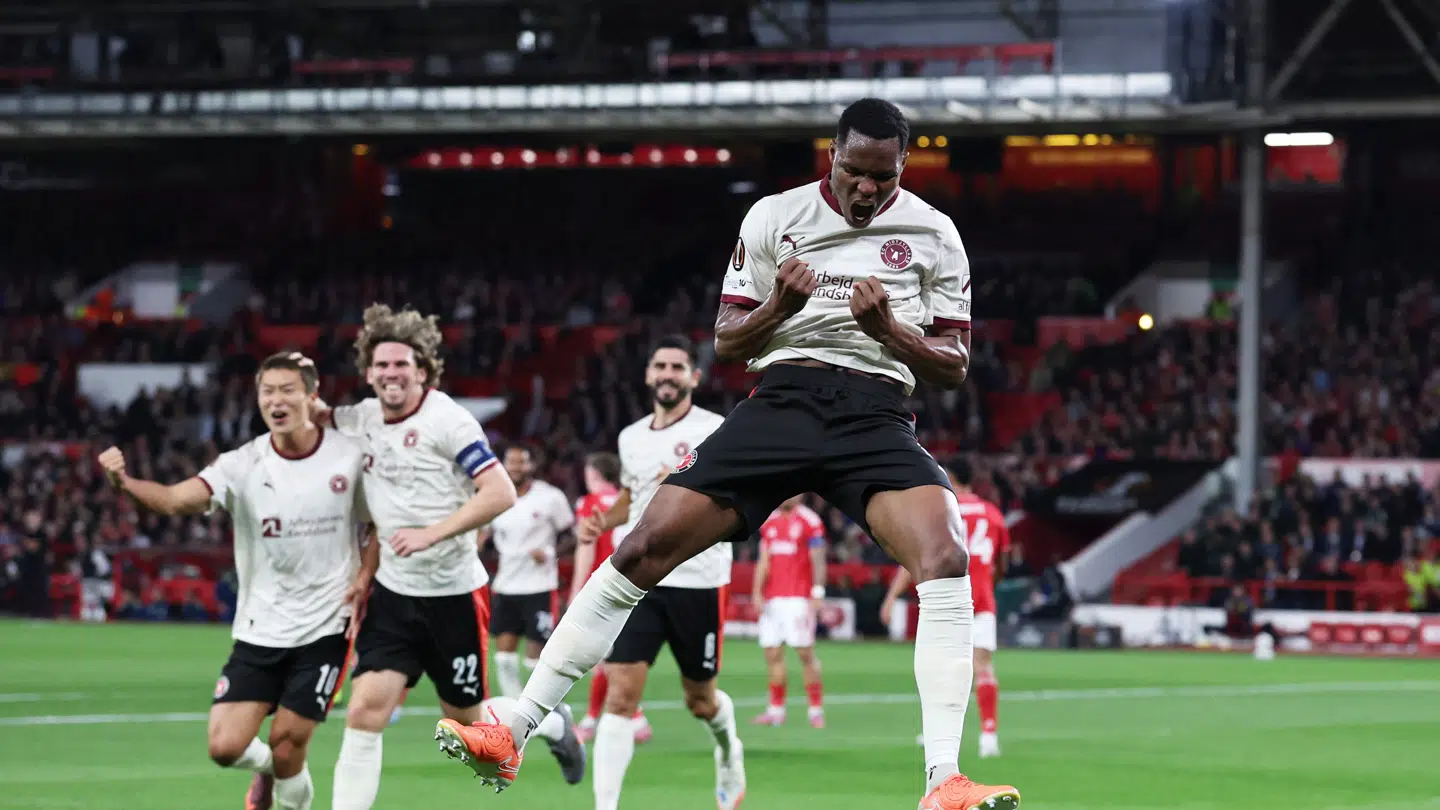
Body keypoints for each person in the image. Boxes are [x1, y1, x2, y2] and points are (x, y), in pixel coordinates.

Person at [445, 98, 1019, 810]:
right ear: (831, 157)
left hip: (875, 414)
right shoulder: (775, 217)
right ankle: (518, 730)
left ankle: (944, 781)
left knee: (946, 558)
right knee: (641, 546)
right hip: (781, 403)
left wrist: (891, 330)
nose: (865, 190)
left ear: (903, 165)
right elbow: (727, 341)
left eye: (882, 176)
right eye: (852, 172)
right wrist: (780, 307)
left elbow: (953, 365)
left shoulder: (934, 232)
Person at [438, 334, 744, 810]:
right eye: (659, 365)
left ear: (694, 377)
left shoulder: (716, 428)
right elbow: (634, 495)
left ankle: (728, 750)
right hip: (642, 579)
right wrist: (610, 518)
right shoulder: (631, 436)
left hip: (699, 579)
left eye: (677, 367)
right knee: (621, 693)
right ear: (647, 375)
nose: (667, 374)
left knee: (701, 701)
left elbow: (734, 499)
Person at [317, 304, 584, 810]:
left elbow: (500, 492)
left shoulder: (450, 421)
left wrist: (430, 534)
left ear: (423, 370)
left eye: (403, 364)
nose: (392, 373)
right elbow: (319, 421)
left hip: (453, 594)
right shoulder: (362, 418)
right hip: (394, 596)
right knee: (364, 713)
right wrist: (364, 573)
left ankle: (551, 723)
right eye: (382, 365)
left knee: (471, 727)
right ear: (368, 372)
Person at [98, 352, 369, 810]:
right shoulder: (242, 465)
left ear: (311, 395)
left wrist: (365, 575)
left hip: (327, 626)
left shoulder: (349, 457)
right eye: (268, 391)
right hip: (259, 628)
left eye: (287, 390)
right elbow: (172, 500)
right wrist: (123, 482)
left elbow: (381, 521)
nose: (276, 400)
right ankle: (264, 771)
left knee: (287, 742)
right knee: (225, 748)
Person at [883, 458, 1009, 759]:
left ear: (950, 476)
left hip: (947, 598)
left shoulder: (942, 509)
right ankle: (989, 736)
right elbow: (1002, 564)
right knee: (983, 667)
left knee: (939, 667)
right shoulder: (993, 514)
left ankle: (935, 735)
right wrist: (987, 584)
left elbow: (920, 559)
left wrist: (891, 597)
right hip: (982, 601)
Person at [570, 452, 652, 744]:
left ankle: (593, 720)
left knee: (603, 658)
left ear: (593, 473)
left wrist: (576, 591)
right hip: (628, 584)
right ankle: (636, 717)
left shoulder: (588, 504)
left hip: (599, 587)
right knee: (614, 656)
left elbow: (587, 546)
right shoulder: (626, 503)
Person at [485, 443, 574, 697]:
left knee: (536, 658)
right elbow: (486, 539)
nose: (515, 467)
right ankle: (514, 710)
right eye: (511, 462)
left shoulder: (550, 497)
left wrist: (550, 553)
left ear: (532, 465)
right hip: (505, 585)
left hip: (539, 586)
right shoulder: (495, 496)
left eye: (521, 462)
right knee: (504, 656)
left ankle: (540, 705)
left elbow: (570, 536)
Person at [750, 495, 828, 728]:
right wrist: (757, 592)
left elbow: (818, 558)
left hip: (799, 599)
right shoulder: (769, 522)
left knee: (805, 653)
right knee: (772, 654)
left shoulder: (810, 521)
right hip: (773, 599)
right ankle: (776, 711)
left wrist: (818, 591)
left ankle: (815, 711)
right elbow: (764, 560)